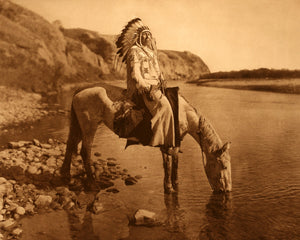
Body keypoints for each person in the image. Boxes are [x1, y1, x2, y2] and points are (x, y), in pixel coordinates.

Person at [115, 18, 175, 148]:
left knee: (174, 102)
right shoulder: (134, 51)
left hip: (156, 86)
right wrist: (145, 86)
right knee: (165, 107)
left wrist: (162, 78)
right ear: (140, 37)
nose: (147, 36)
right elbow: (135, 73)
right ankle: (160, 140)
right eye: (145, 34)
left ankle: (168, 138)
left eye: (149, 34)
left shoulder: (151, 52)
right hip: (144, 88)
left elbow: (157, 69)